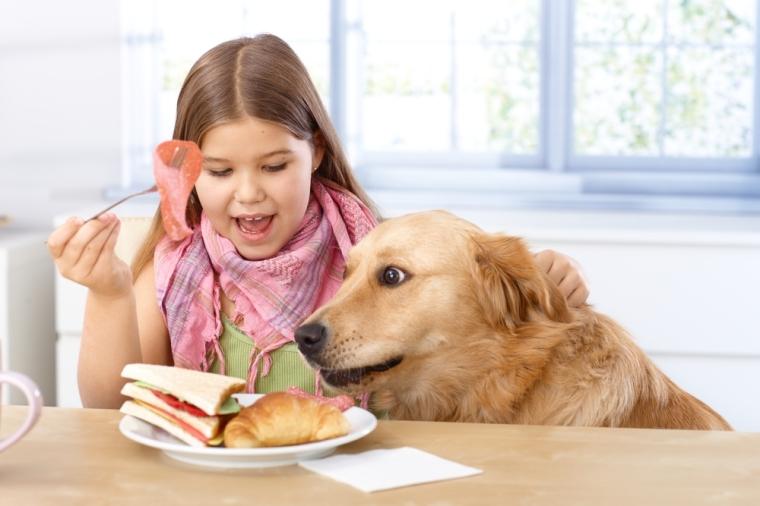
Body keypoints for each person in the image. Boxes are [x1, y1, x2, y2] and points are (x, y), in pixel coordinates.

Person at [47, 34, 590, 409]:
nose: (248, 192)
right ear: (187, 171)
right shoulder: (175, 268)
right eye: (219, 170)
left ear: (318, 154)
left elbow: (492, 339)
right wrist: (110, 293)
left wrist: (544, 278)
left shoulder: (377, 258)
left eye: (275, 165)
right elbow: (107, 406)